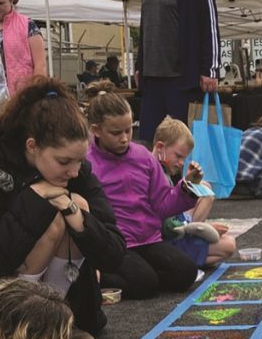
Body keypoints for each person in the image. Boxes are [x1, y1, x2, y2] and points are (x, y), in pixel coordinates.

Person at [0, 77, 126, 339]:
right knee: (50, 217)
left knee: (79, 209)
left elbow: (114, 253)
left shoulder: (75, 170)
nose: (74, 171)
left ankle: (52, 319)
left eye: (80, 161)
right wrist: (34, 198)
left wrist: (76, 213)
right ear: (32, 146)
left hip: (65, 295)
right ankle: (25, 323)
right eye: (64, 161)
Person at [84, 85, 229, 298]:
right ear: (96, 130)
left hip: (148, 239)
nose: (124, 138)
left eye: (128, 130)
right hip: (115, 244)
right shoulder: (87, 163)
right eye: (116, 133)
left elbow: (163, 204)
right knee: (146, 284)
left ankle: (139, 275)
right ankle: (96, 276)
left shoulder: (143, 156)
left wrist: (186, 187)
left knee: (186, 272)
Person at [135, 0, 220, 140]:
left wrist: (210, 69)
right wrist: (139, 65)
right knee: (151, 142)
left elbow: (209, 21)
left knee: (182, 144)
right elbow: (146, 25)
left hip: (181, 80)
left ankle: (189, 178)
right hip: (152, 80)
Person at [152, 115, 236, 264]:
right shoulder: (157, 175)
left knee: (204, 188)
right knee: (229, 245)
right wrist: (201, 229)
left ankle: (191, 244)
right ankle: (184, 259)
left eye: (183, 158)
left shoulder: (161, 169)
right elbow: (165, 224)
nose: (181, 163)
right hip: (169, 235)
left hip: (176, 223)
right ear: (160, 148)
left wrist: (191, 181)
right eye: (178, 156)